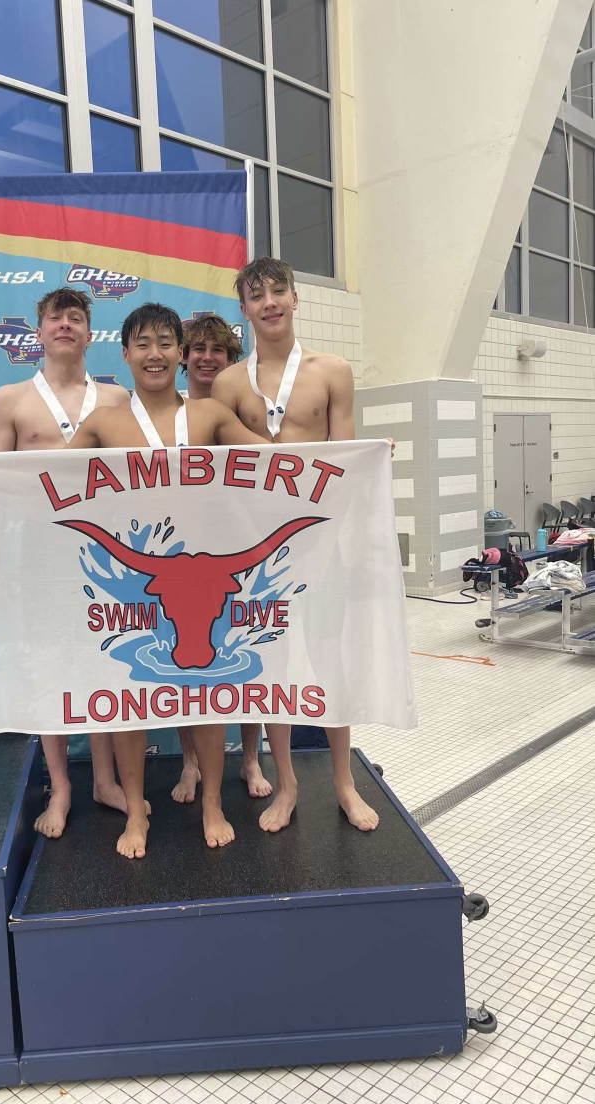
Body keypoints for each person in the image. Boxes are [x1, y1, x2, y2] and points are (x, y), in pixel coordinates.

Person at [0, 286, 141, 840]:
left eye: (76, 316)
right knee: (50, 666)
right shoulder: (12, 400)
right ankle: (62, 786)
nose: (66, 324)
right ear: (40, 331)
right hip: (37, 556)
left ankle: (103, 779)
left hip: (101, 556)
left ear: (89, 332)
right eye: (56, 317)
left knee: (104, 664)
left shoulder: (117, 402)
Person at [67, 303, 269, 859]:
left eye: (164, 344)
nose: (154, 354)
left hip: (199, 583)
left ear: (180, 354)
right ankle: (136, 813)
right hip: (132, 586)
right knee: (131, 701)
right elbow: (39, 478)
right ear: (125, 354)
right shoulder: (103, 423)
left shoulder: (208, 417)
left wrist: (358, 458)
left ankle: (212, 803)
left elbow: (281, 460)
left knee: (204, 694)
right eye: (142, 344)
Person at [211, 256, 380, 836]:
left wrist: (352, 541)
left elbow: (348, 464)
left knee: (330, 661)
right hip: (260, 552)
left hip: (321, 542)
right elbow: (219, 475)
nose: (269, 303)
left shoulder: (332, 370)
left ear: (295, 297)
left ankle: (343, 781)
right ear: (245, 311)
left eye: (277, 291)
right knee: (273, 667)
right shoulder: (228, 383)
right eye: (256, 297)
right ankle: (285, 784)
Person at [170, 314, 272, 804]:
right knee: (187, 670)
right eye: (198, 349)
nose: (208, 357)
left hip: (240, 545)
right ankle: (190, 762)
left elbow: (281, 456)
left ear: (232, 359)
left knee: (252, 657)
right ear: (183, 357)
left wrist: (358, 454)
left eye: (219, 350)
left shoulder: (246, 411)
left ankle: (251, 758)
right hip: (184, 554)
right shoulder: (164, 413)